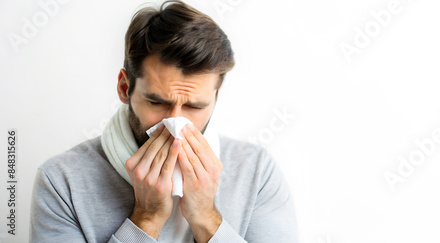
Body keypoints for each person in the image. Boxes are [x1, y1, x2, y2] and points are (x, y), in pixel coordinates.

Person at [30, 1, 298, 242]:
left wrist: (206, 218)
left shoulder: (256, 173)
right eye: (157, 102)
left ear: (216, 95)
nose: (175, 123)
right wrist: (146, 218)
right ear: (125, 88)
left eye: (195, 106)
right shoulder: (61, 181)